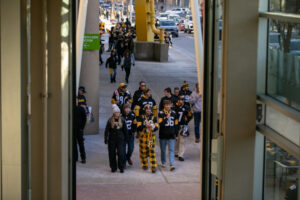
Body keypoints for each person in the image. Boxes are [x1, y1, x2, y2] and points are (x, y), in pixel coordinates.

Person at [104, 104, 128, 173]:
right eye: (116, 112)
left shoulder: (122, 120)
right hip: (112, 139)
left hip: (120, 139)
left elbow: (125, 130)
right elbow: (107, 130)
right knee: (112, 153)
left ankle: (121, 167)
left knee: (121, 153)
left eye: (118, 112)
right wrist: (106, 138)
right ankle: (113, 167)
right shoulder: (110, 120)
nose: (118, 113)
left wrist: (127, 138)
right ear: (114, 113)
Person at [137, 104, 158, 173]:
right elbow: (138, 127)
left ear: (151, 110)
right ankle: (144, 164)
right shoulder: (141, 117)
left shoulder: (154, 117)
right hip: (143, 137)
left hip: (150, 137)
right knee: (143, 151)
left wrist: (153, 127)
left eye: (149, 109)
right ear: (145, 110)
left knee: (151, 151)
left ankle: (153, 166)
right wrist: (144, 125)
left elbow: (157, 127)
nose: (148, 110)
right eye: (147, 109)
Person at [158, 100, 179, 171]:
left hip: (171, 134)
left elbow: (176, 125)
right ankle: (163, 162)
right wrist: (166, 118)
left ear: (171, 105)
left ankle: (171, 165)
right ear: (164, 105)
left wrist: (176, 134)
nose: (167, 106)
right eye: (166, 105)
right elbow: (160, 124)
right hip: (163, 134)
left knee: (171, 150)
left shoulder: (174, 113)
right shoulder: (161, 113)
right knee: (163, 150)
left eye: (168, 105)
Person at [174, 95, 193, 161]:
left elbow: (191, 115)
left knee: (182, 141)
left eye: (182, 100)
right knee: (176, 140)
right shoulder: (175, 107)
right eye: (179, 100)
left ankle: (180, 155)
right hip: (176, 125)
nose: (180, 101)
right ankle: (176, 152)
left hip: (183, 125)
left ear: (183, 101)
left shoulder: (186, 107)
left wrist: (187, 120)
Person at [75, 98, 87, 164]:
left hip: (79, 129)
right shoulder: (71, 108)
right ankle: (75, 157)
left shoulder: (81, 109)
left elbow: (84, 119)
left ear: (77, 101)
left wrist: (82, 128)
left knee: (81, 144)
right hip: (73, 130)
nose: (75, 101)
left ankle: (83, 158)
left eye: (76, 100)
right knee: (73, 145)